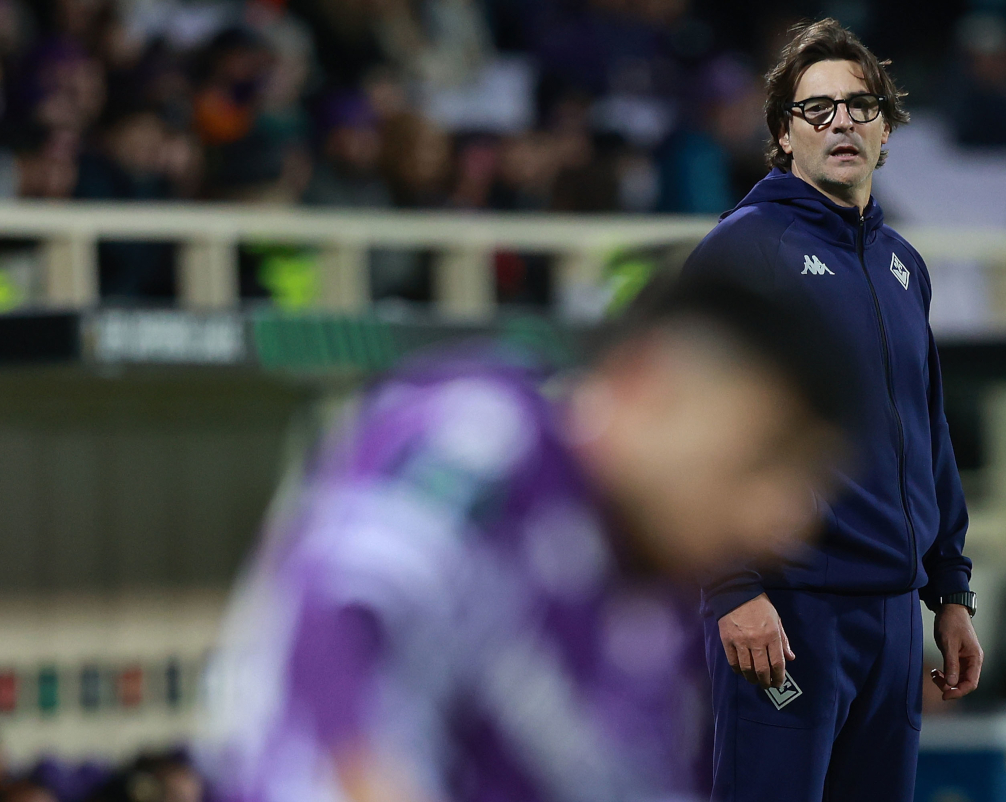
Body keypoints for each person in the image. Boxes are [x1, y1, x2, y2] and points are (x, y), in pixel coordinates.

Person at [197, 272, 860, 802]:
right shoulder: (485, 436)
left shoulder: (665, 631)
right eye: (766, 459)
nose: (783, 519)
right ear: (646, 388)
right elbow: (341, 620)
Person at [680, 18, 983, 801]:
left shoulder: (902, 263)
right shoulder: (746, 248)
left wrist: (949, 590)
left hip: (891, 619)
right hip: (785, 614)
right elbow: (689, 428)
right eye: (817, 110)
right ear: (784, 134)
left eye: (861, 105)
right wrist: (733, 589)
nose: (842, 121)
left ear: (886, 130)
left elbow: (928, 432)